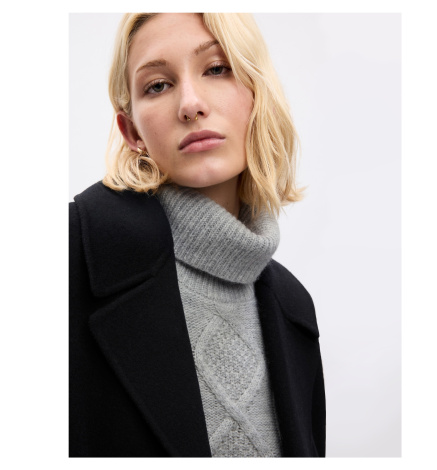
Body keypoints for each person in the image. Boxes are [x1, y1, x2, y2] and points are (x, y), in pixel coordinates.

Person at [69, 12, 326, 458]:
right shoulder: (64, 256)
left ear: (258, 94)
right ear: (131, 131)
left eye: (217, 68)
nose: (190, 104)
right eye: (157, 85)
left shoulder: (295, 309)